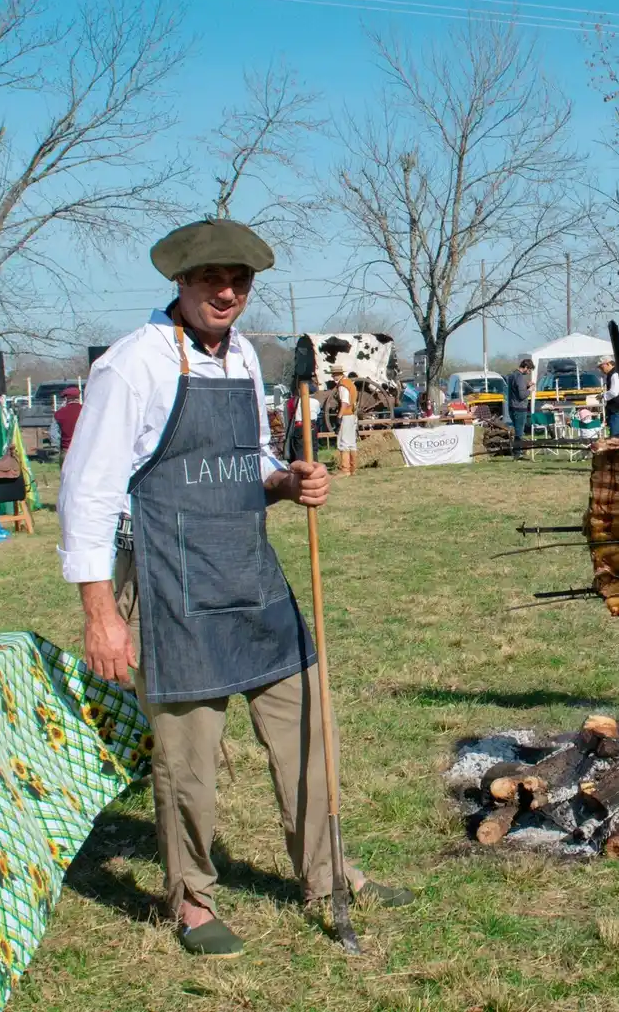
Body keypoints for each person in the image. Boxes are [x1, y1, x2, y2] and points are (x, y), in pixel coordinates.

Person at [57, 218, 413, 960]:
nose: (227, 293)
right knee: (188, 758)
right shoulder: (132, 366)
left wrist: (287, 479)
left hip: (248, 569)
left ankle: (328, 873)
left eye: (240, 281)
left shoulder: (245, 356)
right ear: (180, 281)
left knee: (310, 721)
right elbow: (87, 494)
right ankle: (191, 901)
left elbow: (247, 458)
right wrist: (100, 615)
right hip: (170, 578)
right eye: (212, 279)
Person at [332, 367, 358, 477]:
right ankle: (353, 469)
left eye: (334, 374)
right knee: (352, 443)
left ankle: (345, 470)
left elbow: (344, 403)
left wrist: (339, 416)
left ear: (338, 374)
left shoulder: (343, 385)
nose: (332, 377)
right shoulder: (350, 383)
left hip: (346, 415)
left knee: (344, 442)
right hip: (352, 415)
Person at [506, 358, 534, 458]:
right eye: (529, 370)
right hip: (519, 408)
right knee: (519, 433)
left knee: (517, 431)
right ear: (526, 367)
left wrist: (526, 386)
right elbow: (522, 396)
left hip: (512, 407)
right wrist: (530, 390)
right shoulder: (520, 377)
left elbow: (516, 390)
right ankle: (517, 454)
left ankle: (517, 452)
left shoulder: (512, 375)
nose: (529, 372)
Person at [51, 386, 84, 458]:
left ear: (66, 398)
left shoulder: (59, 413)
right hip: (84, 449)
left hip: (67, 450)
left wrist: (56, 446)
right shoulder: (86, 410)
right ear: (78, 397)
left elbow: (54, 434)